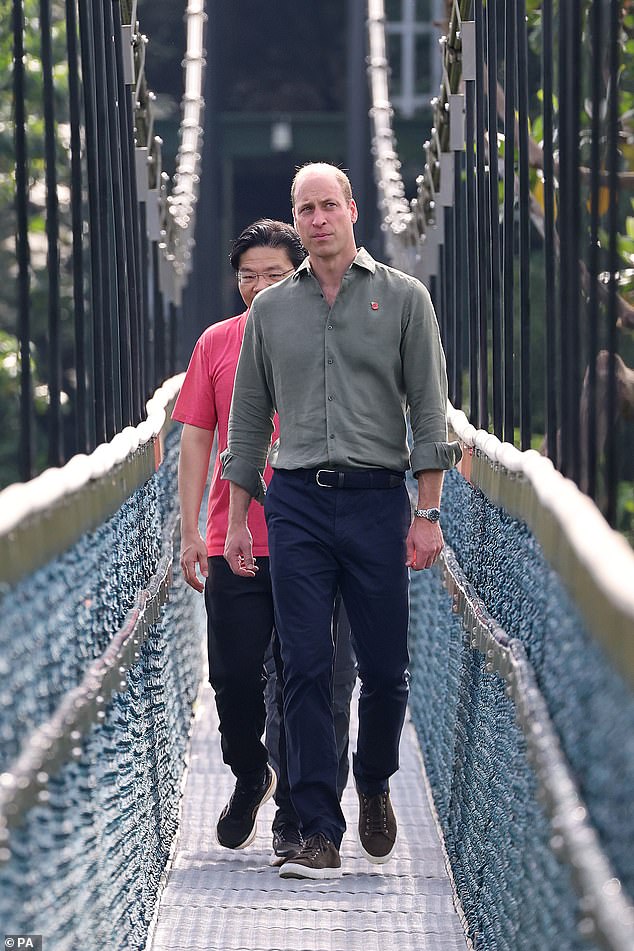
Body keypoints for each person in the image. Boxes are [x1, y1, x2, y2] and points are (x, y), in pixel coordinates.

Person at [221, 163, 461, 880]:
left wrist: (428, 513)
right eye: (306, 208)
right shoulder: (270, 311)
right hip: (294, 499)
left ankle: (376, 779)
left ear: (354, 209)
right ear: (295, 221)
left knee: (386, 669)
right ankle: (317, 830)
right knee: (304, 664)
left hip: (377, 500)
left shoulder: (405, 298)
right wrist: (237, 520)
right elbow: (248, 421)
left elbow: (429, 411)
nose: (318, 219)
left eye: (329, 205)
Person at [172, 218, 357, 864]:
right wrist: (191, 527)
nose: (258, 287)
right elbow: (196, 435)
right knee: (233, 679)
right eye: (247, 275)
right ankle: (251, 774)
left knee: (304, 679)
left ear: (300, 273)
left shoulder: (332, 339)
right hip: (233, 536)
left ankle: (296, 819)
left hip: (315, 539)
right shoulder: (217, 343)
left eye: (274, 274)